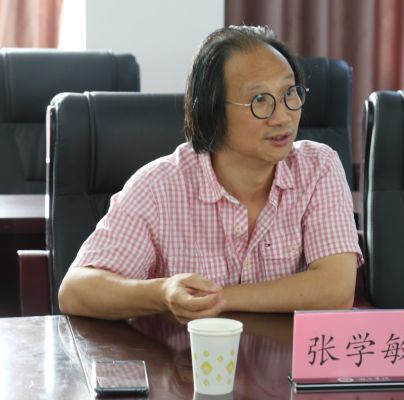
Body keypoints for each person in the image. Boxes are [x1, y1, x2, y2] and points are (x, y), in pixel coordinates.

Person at [58, 25, 362, 324]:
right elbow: (75, 291)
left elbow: (336, 290)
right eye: (260, 100)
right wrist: (163, 293)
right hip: (181, 356)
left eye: (289, 93)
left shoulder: (318, 167)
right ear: (213, 111)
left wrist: (217, 298)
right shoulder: (160, 186)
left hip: (284, 357)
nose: (282, 116)